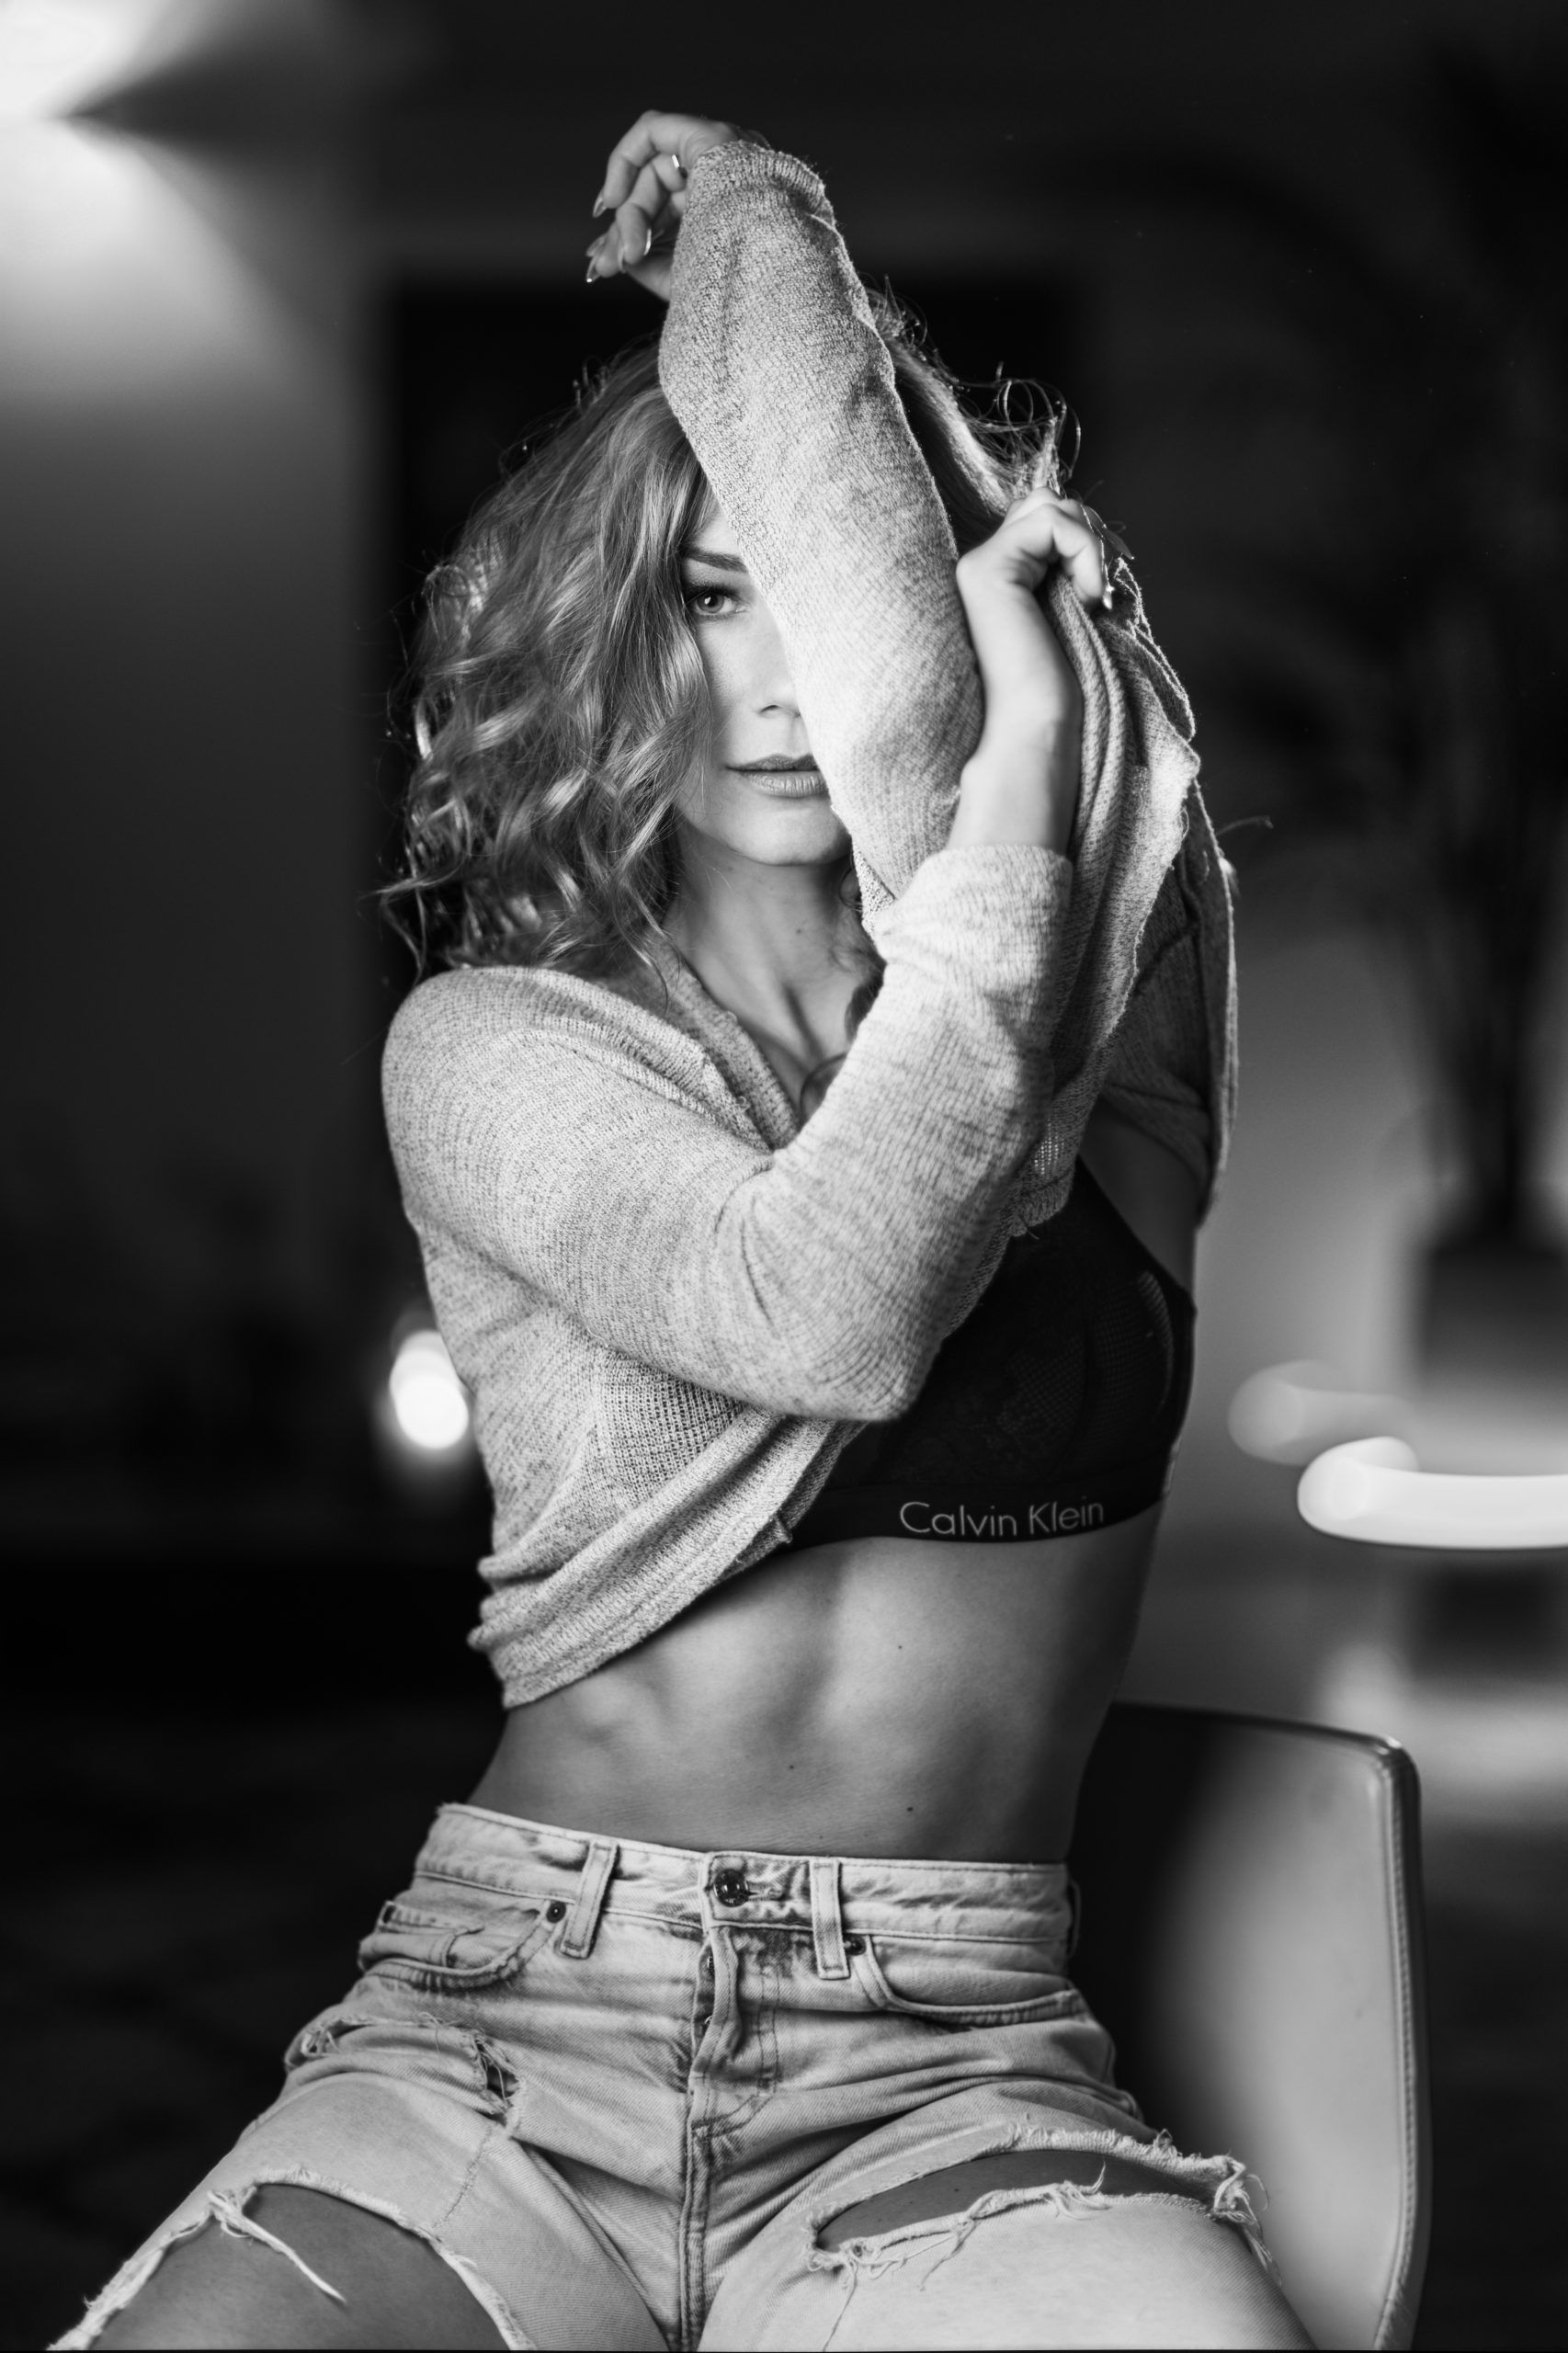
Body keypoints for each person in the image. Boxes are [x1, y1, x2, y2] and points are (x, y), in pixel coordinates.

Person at [60, 110, 1312, 2352]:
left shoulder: (1113, 1061)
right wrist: (763, 229)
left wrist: (776, 256)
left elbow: (1041, 781)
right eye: (701, 600)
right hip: (511, 2026)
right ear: (612, 639)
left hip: (945, 2061)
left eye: (820, 594)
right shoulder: (493, 1051)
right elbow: (821, 1305)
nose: (780, 686)